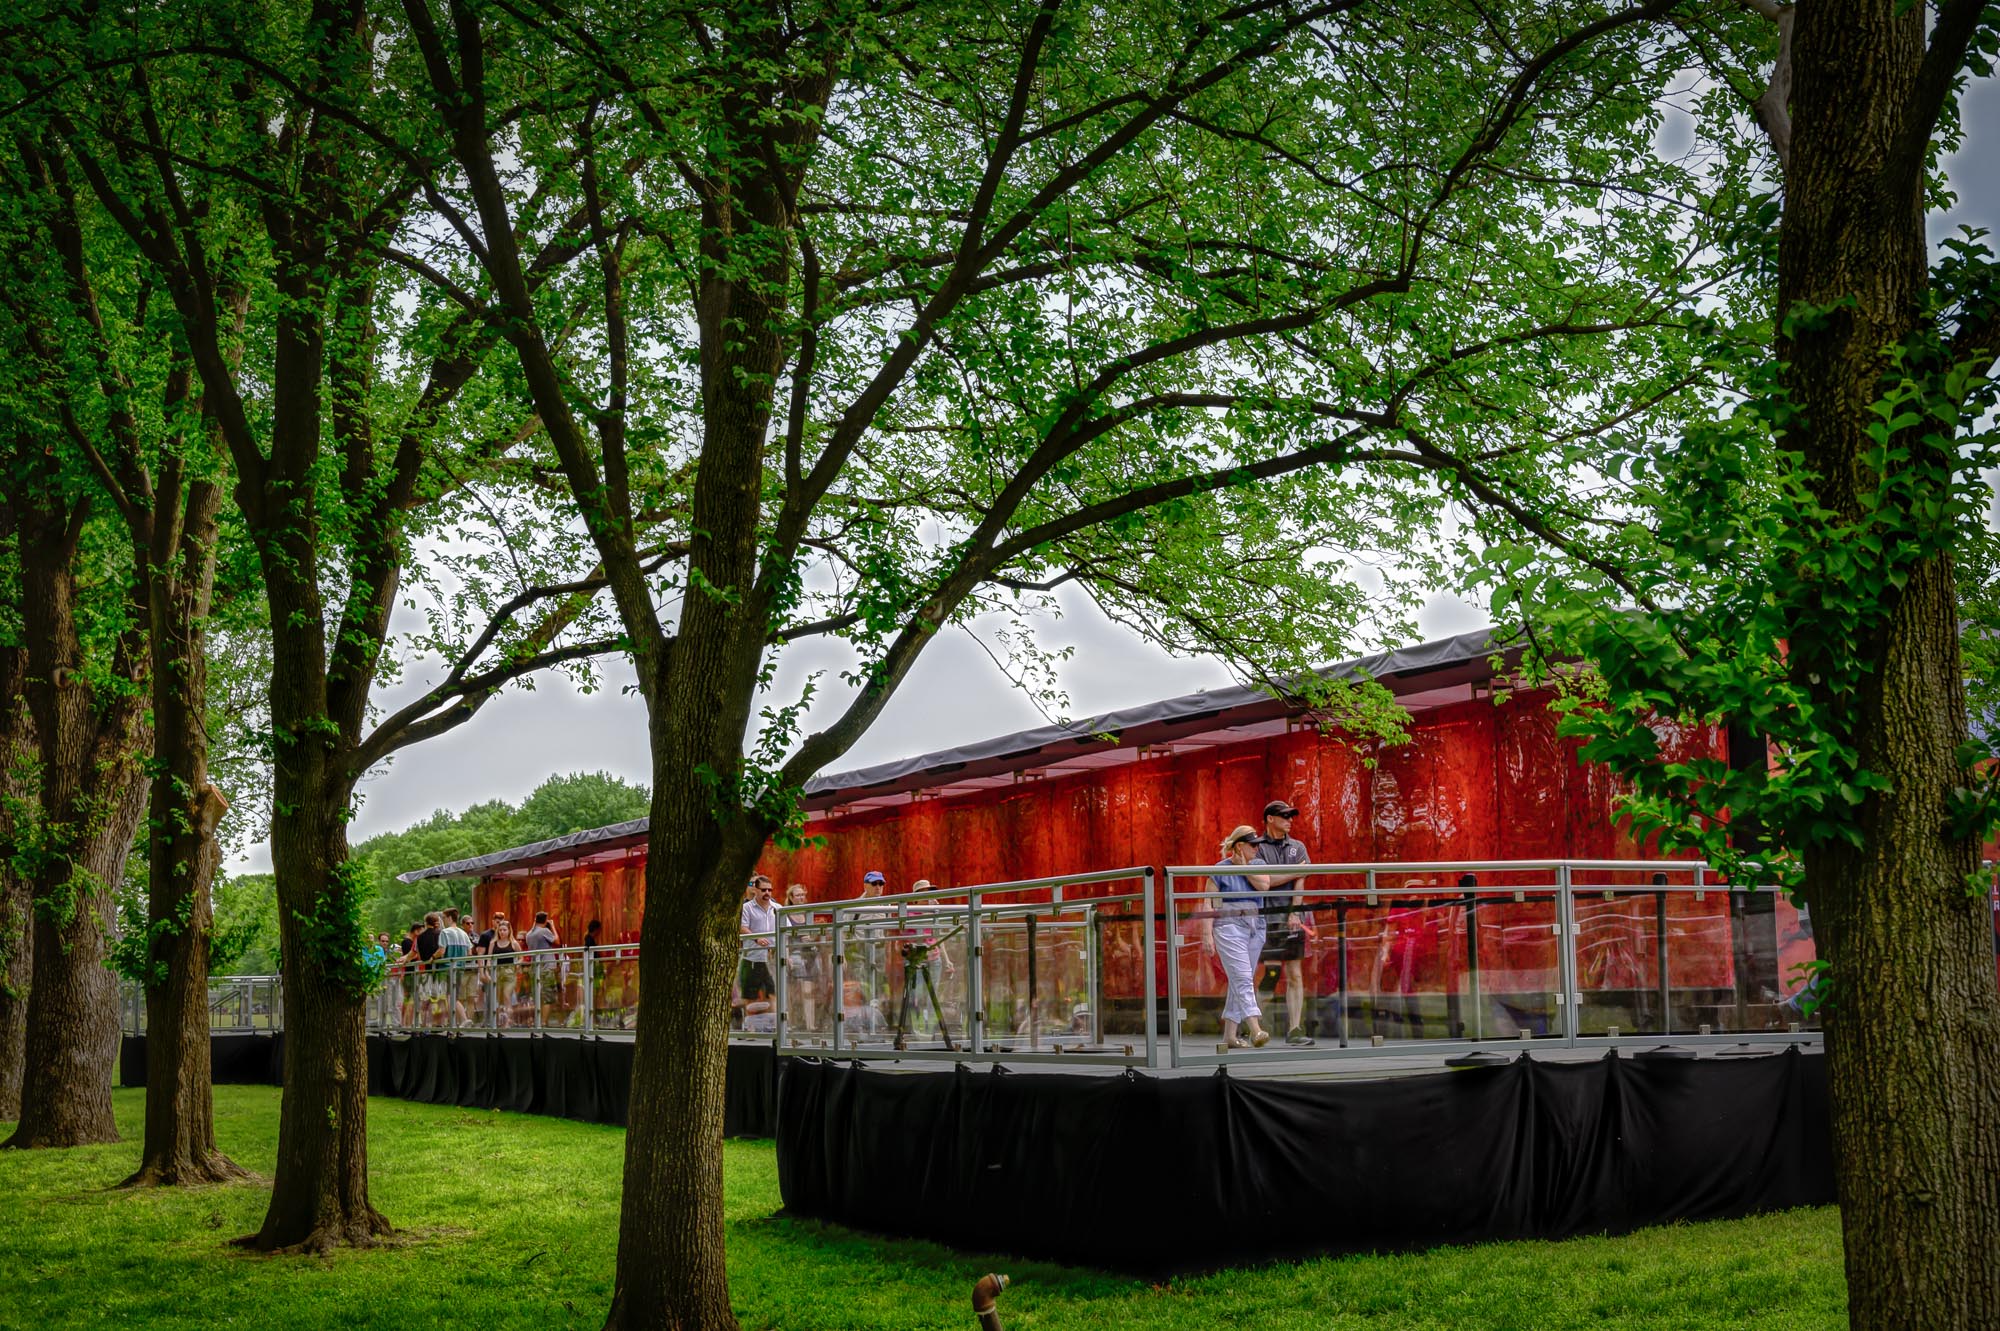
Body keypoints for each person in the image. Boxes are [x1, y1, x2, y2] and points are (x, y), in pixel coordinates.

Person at [1253, 799, 1316, 1046]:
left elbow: (1301, 881)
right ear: (1270, 818)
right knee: (1271, 972)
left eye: (1291, 816)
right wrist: (1293, 872)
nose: (1290, 820)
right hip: (1265, 918)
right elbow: (1264, 881)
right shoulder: (1257, 848)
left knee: (1294, 973)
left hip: (1290, 918)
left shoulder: (1297, 847)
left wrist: (1295, 912)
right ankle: (1255, 1025)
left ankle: (1295, 1028)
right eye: (1284, 816)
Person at [1201, 825, 1270, 1048]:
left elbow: (1264, 887)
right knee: (1242, 977)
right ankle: (1255, 1028)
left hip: (1254, 926)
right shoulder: (1219, 869)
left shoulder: (1257, 865)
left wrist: (1244, 868)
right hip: (1228, 925)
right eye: (1253, 845)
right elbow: (1208, 902)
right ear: (1239, 846)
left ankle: (1229, 1036)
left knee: (1241, 978)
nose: (1257, 848)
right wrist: (1207, 933)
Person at [782, 885, 820, 1032]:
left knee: (809, 991)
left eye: (802, 895)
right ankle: (791, 1022)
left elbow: (815, 934)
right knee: (792, 992)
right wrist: (786, 956)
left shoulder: (808, 912)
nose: (801, 898)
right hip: (794, 954)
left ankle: (810, 1024)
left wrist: (812, 938)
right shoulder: (786, 915)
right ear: (791, 897)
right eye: (797, 895)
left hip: (809, 954)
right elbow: (784, 938)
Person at [739, 875, 778, 1007]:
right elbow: (742, 927)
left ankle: (775, 1025)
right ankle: (750, 1026)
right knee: (750, 997)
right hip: (753, 958)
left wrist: (787, 953)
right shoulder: (747, 907)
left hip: (773, 959)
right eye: (763, 890)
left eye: (769, 890)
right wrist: (757, 938)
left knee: (773, 994)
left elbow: (787, 930)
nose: (767, 893)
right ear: (755, 890)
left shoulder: (777, 908)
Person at [439, 909, 473, 1026]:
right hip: (460, 968)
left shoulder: (445, 932)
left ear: (449, 918)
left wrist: (433, 956)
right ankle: (460, 1020)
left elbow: (442, 951)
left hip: (448, 968)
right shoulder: (464, 934)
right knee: (454, 995)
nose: (442, 920)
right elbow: (469, 953)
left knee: (449, 996)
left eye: (443, 917)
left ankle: (459, 1020)